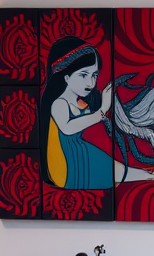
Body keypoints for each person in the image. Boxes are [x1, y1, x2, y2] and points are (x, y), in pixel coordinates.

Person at [39, 37, 114, 190]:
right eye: (83, 75)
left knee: (132, 173)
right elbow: (67, 128)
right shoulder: (59, 103)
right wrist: (102, 110)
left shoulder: (82, 103)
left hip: (82, 154)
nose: (90, 83)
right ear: (66, 76)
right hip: (68, 167)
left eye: (94, 75)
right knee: (123, 173)